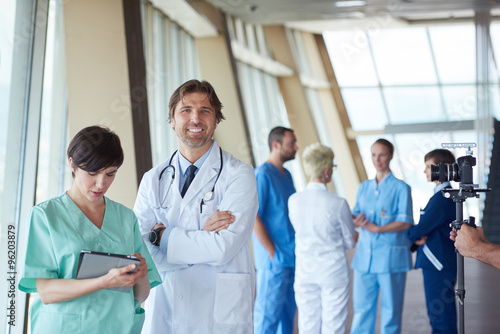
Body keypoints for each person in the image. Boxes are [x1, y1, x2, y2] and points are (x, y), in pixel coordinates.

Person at [133, 79, 259, 334]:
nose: (195, 119)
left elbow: (223, 247)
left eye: (205, 110)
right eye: (186, 110)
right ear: (172, 120)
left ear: (216, 119)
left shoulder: (239, 175)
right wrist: (202, 237)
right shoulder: (153, 179)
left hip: (217, 313)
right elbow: (140, 249)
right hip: (165, 307)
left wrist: (163, 236)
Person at [18, 126, 161, 334]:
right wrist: (104, 282)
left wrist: (140, 275)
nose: (101, 183)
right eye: (92, 173)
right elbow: (47, 292)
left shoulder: (125, 217)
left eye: (110, 174)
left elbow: (140, 295)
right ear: (72, 165)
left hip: (118, 327)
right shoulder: (45, 216)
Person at [288, 143, 357, 334]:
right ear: (327, 172)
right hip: (332, 272)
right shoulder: (338, 203)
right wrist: (355, 232)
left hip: (305, 271)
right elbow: (349, 241)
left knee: (308, 324)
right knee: (333, 325)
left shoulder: (293, 201)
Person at [350, 138, 413, 334]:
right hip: (364, 259)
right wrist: (356, 221)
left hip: (389, 258)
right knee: (361, 309)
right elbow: (355, 214)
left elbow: (405, 221)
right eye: (374, 155)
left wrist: (378, 229)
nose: (377, 159)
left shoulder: (402, 188)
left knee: (391, 310)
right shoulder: (364, 187)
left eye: (382, 154)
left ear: (391, 156)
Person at [253, 126, 298, 334]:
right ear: (275, 145)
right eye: (291, 143)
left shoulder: (286, 174)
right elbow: (254, 216)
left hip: (290, 255)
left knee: (287, 313)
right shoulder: (263, 174)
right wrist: (272, 252)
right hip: (274, 259)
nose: (296, 147)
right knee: (267, 316)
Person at [407, 149, 457, 334]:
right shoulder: (444, 195)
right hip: (440, 263)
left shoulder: (442, 197)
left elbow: (421, 228)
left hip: (438, 265)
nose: (424, 171)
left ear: (441, 169)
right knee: (443, 314)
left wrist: (409, 231)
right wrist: (418, 234)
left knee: (440, 316)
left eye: (429, 166)